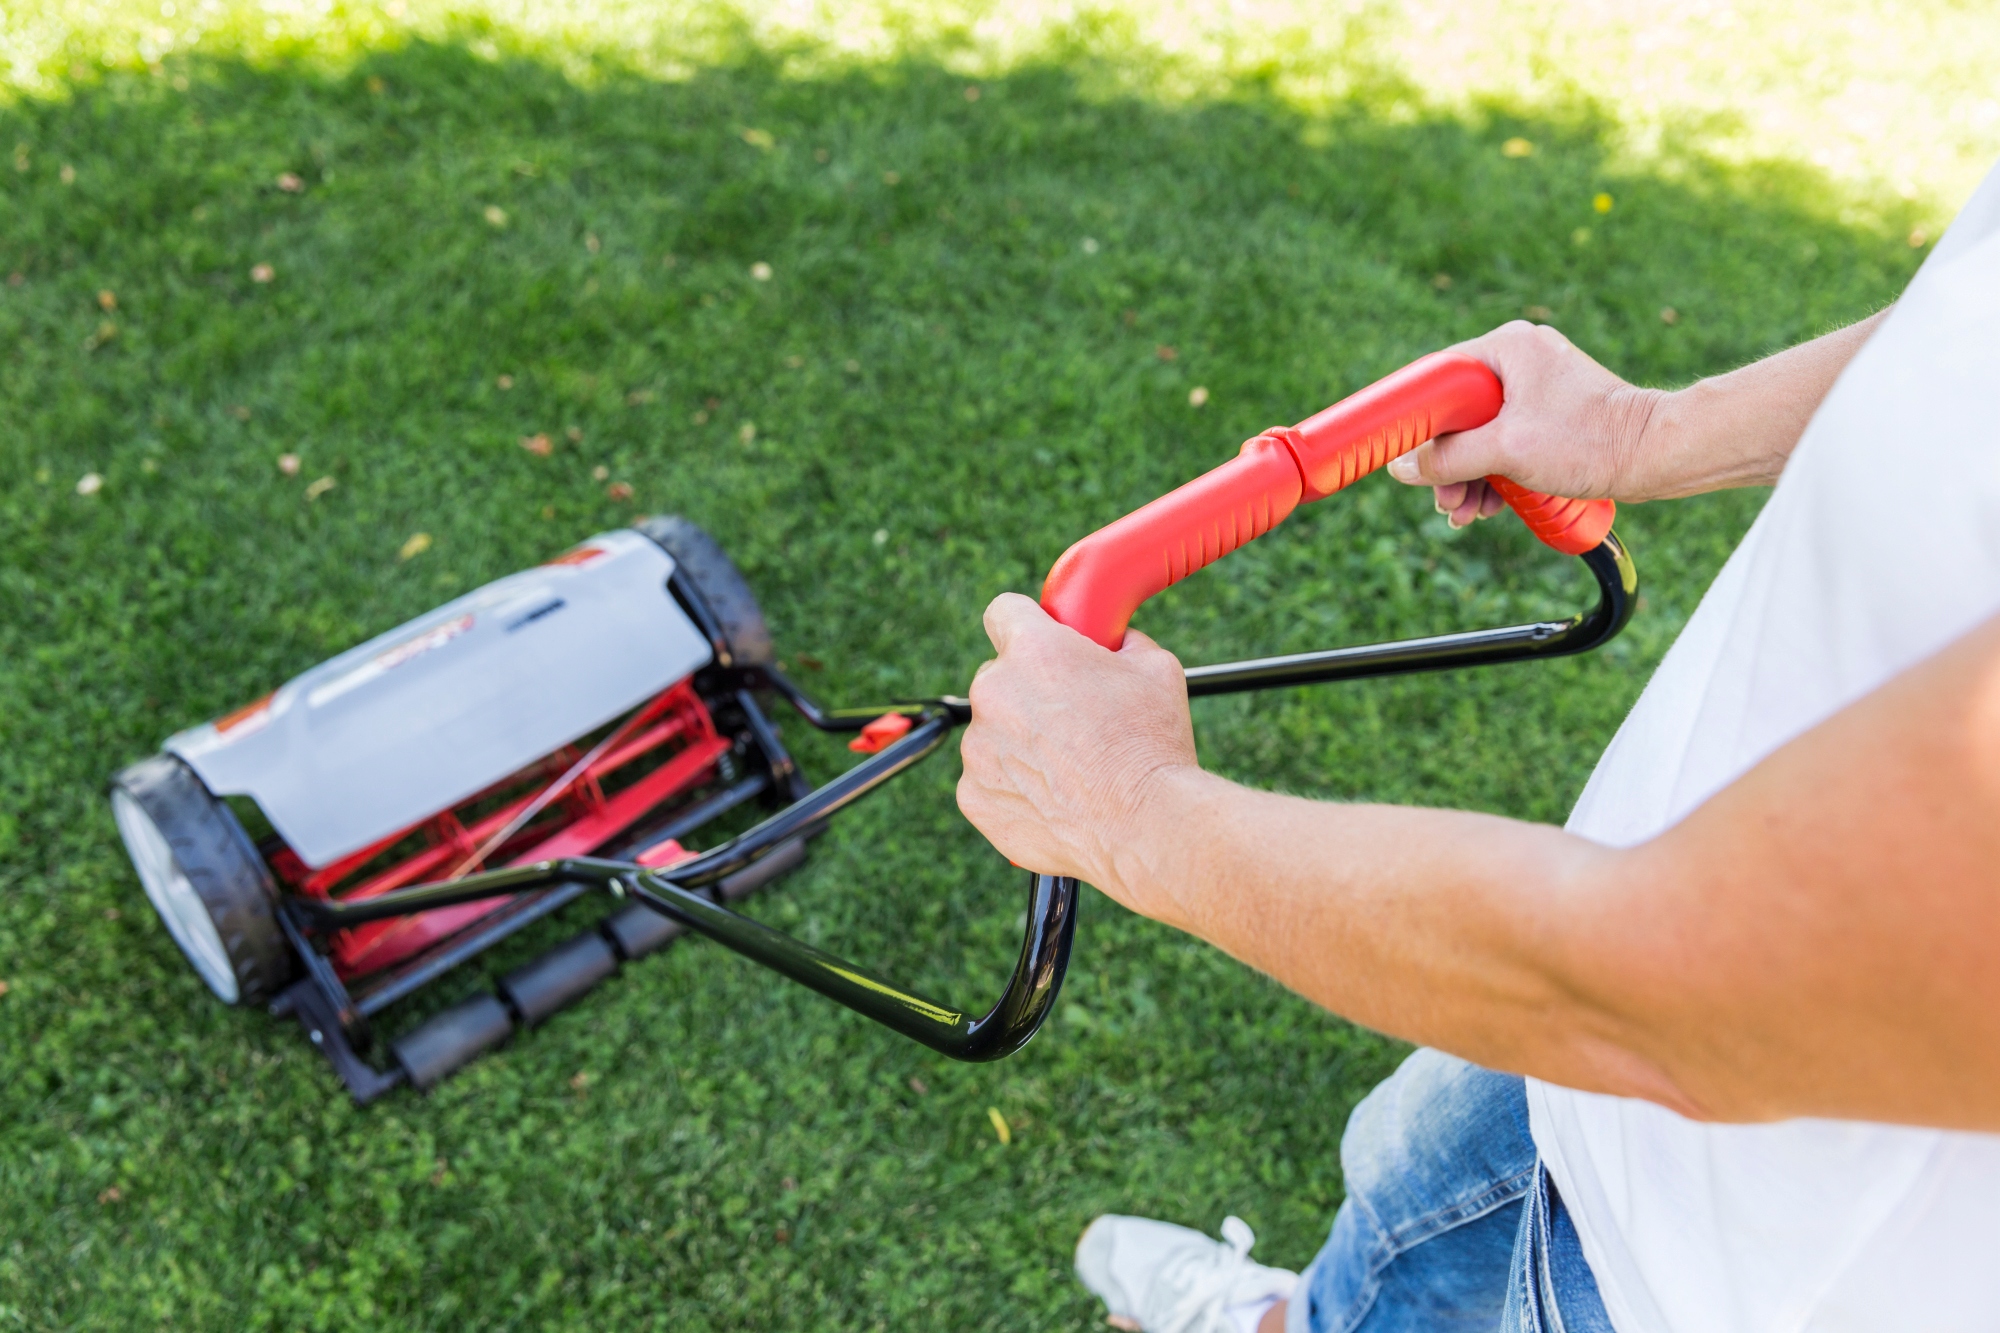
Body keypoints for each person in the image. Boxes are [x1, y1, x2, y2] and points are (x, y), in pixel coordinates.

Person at [955, 159, 2000, 1333]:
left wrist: (1130, 812)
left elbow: (1672, 994)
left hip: (1734, 1267)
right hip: (1583, 1003)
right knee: (1395, 1231)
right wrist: (1647, 429)